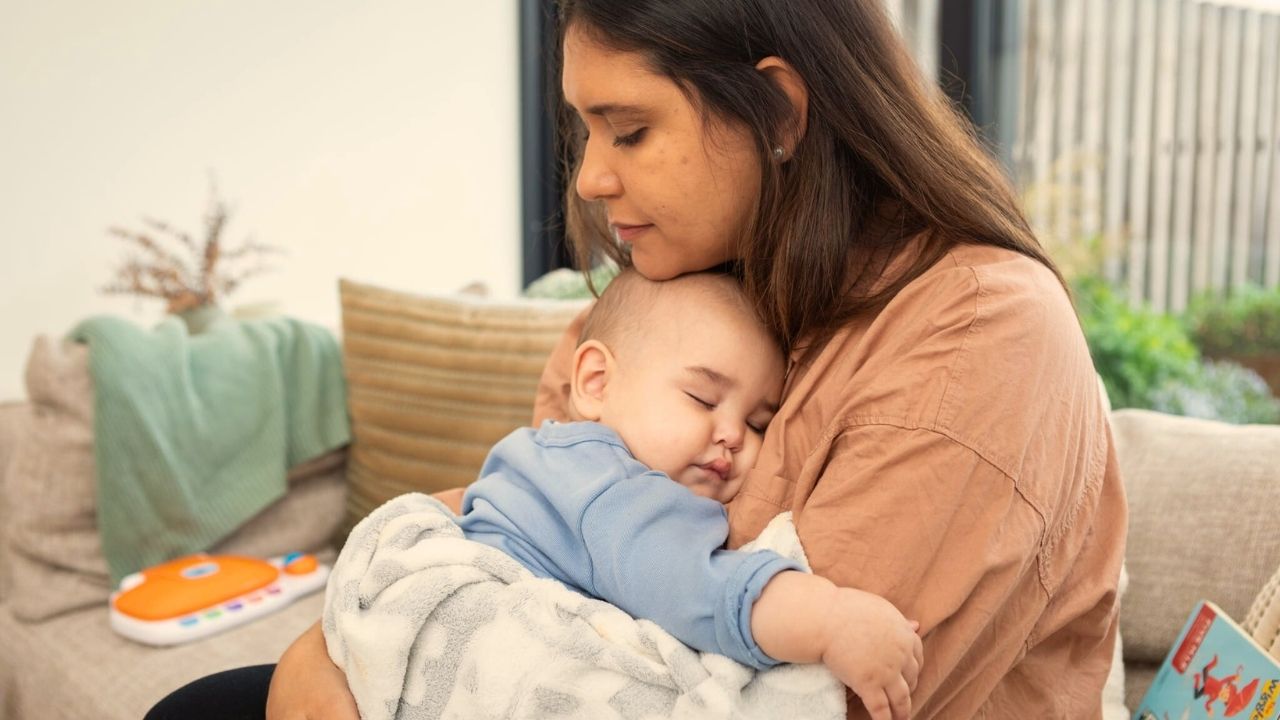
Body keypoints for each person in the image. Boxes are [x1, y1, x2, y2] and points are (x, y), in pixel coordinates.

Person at [150, 0, 1127, 717]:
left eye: (630, 129)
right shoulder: (698, 281)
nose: (587, 174)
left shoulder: (972, 333)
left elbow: (792, 690)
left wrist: (342, 668)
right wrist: (356, 636)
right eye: (582, 128)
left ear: (779, 114)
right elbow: (536, 494)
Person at [430, 269, 922, 716]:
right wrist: (831, 621)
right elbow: (691, 584)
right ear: (596, 383)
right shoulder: (608, 489)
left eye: (757, 423)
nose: (733, 434)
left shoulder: (546, 454)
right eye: (703, 398)